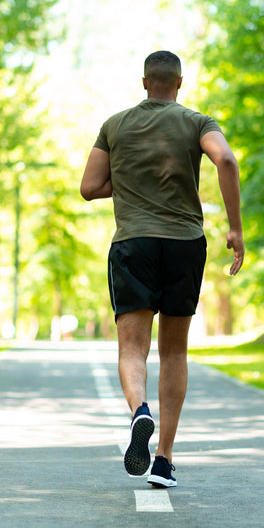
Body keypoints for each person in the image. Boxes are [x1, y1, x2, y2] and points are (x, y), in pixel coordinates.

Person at [79, 50, 244, 488]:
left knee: (133, 349)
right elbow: (227, 161)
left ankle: (140, 411)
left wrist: (131, 181)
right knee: (174, 352)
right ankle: (164, 460)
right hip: (184, 244)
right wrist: (235, 229)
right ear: (180, 83)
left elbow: (89, 187)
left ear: (144, 82)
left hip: (133, 244)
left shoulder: (115, 125)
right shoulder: (198, 122)